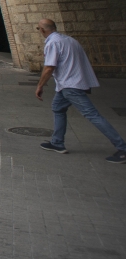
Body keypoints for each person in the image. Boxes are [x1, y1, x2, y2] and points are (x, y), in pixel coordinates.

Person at [35, 19, 126, 163]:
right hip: (71, 83)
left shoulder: (53, 43)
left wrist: (40, 85)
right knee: (57, 108)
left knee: (92, 115)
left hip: (70, 85)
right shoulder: (70, 40)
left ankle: (122, 148)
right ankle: (57, 143)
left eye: (38, 28)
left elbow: (49, 67)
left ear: (43, 30)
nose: (39, 31)